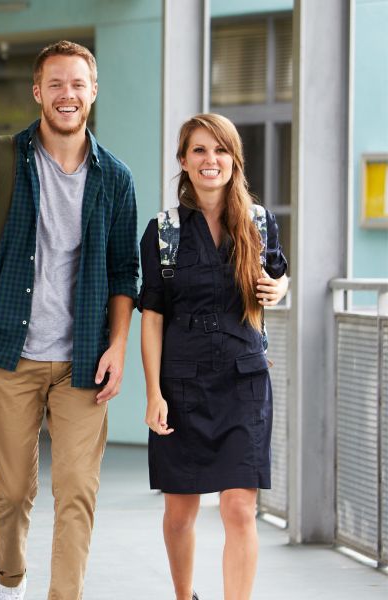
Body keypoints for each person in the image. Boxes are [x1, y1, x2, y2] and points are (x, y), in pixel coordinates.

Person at [0, 40, 139, 599]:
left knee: (76, 489)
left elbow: (126, 271)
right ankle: (11, 580)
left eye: (78, 84)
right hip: (7, 355)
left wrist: (118, 345)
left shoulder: (115, 179)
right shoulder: (1, 160)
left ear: (93, 92)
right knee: (13, 488)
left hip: (83, 360)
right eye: (55, 84)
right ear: (37, 92)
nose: (67, 95)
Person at [140, 113, 288, 600]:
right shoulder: (162, 231)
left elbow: (278, 278)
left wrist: (281, 287)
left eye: (220, 150)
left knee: (239, 508)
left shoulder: (259, 223)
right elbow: (154, 317)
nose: (211, 160)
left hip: (244, 381)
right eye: (199, 150)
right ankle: (185, 597)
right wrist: (154, 393)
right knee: (180, 512)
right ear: (183, 161)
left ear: (234, 160)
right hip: (181, 386)